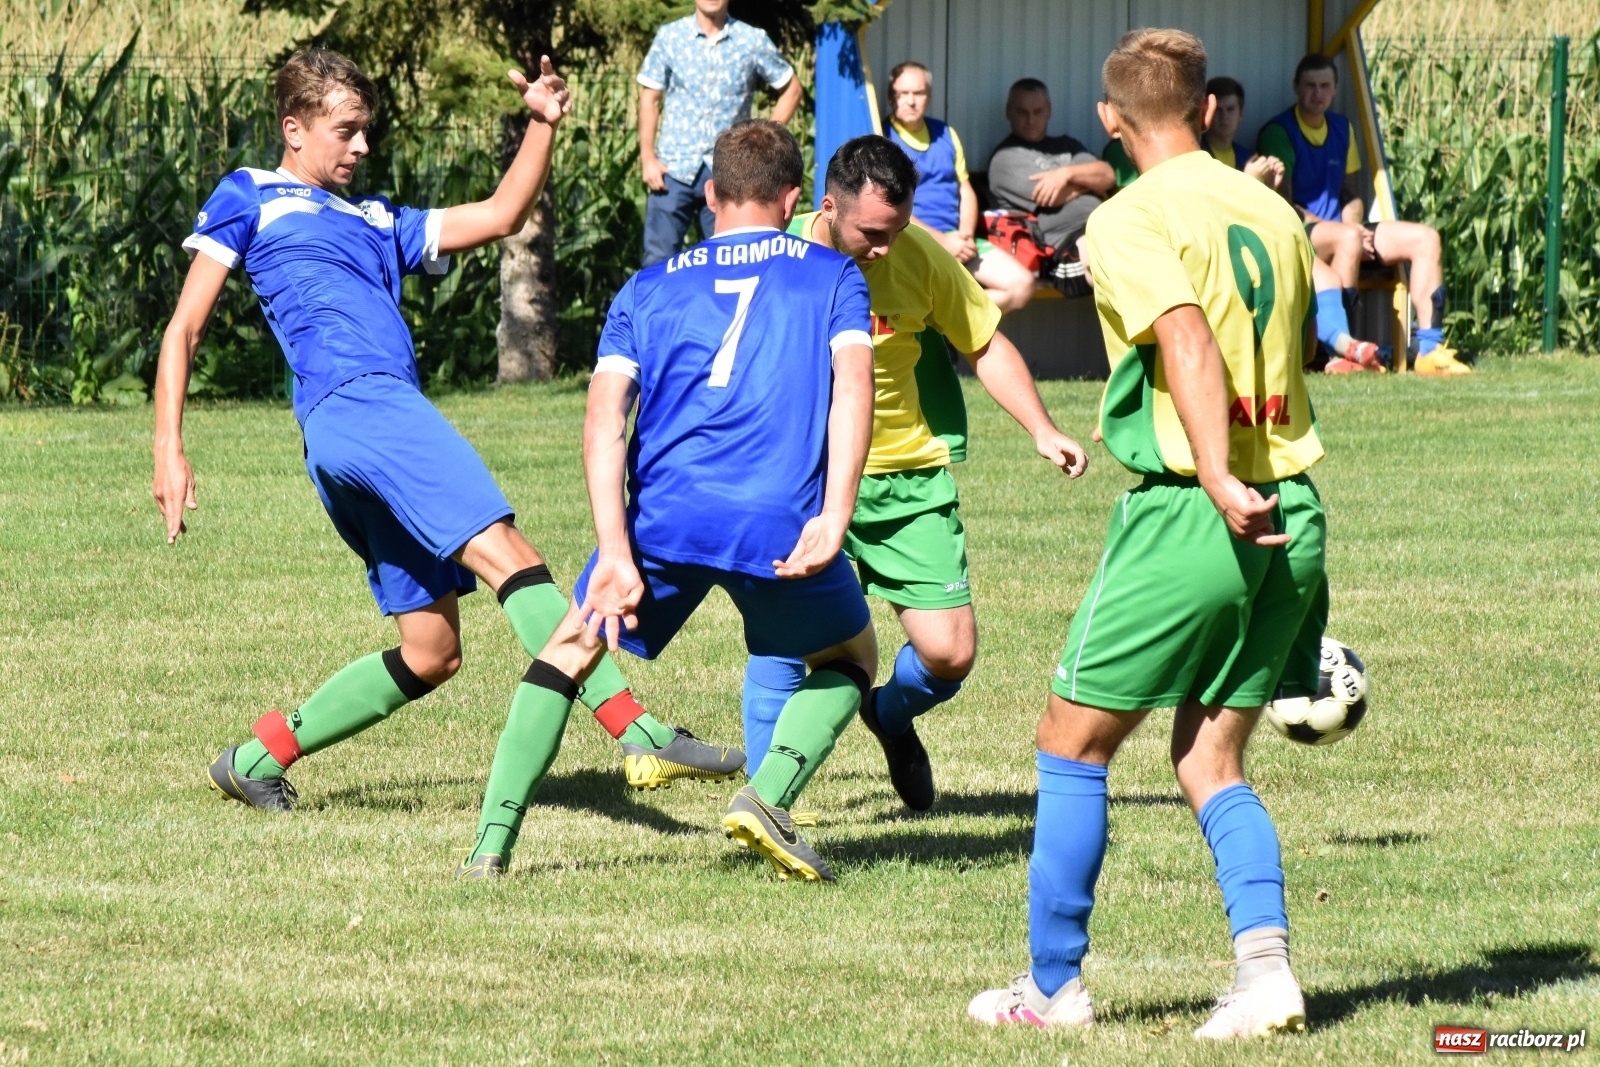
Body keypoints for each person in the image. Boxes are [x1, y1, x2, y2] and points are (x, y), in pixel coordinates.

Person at [157, 49, 741, 816]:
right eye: (346, 130)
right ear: (294, 130)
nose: (362, 146)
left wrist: (541, 124)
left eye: (367, 130)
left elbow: (500, 214)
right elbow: (185, 328)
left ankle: (255, 757)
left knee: (432, 652)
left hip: (350, 431)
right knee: (512, 556)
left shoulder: (377, 219)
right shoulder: (250, 195)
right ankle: (640, 732)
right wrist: (169, 444)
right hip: (362, 406)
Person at [968, 29, 1323, 1038]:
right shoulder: (1270, 207)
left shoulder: (1127, 218)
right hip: (1290, 508)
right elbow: (1281, 346)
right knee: (1210, 760)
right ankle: (1265, 978)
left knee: (1069, 742)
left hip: (1195, 507)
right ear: (1210, 111)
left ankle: (1050, 990)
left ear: (1115, 123)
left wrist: (1208, 469)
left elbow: (1185, 338)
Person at [459, 120, 877, 883]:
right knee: (851, 658)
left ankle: (491, 845)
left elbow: (603, 419)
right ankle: (769, 795)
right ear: (791, 200)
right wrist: (834, 515)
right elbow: (854, 388)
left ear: (711, 195)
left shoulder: (647, 286)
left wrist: (615, 550)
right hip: (775, 516)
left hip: (663, 518)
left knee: (569, 651)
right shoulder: (833, 276)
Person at [741, 135, 1089, 813]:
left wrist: (1043, 429)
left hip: (905, 477)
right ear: (828, 206)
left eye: (898, 230)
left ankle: (889, 715)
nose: (886, 248)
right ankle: (768, 802)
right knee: (783, 642)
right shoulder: (775, 254)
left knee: (950, 653)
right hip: (802, 481)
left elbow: (983, 342)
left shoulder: (919, 253)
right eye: (873, 232)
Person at [1258, 53, 1470, 375]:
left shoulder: (1343, 128)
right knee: (1348, 238)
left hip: (1344, 230)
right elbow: (1283, 202)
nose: (1317, 93)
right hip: (1301, 229)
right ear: (1296, 88)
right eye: (1310, 86)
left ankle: (1429, 351)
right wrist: (1348, 232)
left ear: (1335, 89)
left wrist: (1357, 227)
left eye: (1325, 86)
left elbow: (1351, 192)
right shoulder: (1279, 131)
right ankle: (1342, 354)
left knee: (1426, 238)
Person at [1208, 75, 1381, 373]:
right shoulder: (1200, 156)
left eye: (1231, 110)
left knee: (1326, 279)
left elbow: (1265, 211)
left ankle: (1341, 352)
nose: (1224, 118)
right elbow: (1212, 214)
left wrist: (1272, 186)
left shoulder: (1248, 156)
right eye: (1219, 110)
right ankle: (1344, 349)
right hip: (1225, 249)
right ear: (1205, 114)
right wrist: (1248, 182)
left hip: (1262, 242)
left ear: (1241, 113)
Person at [637, 0, 801, 268]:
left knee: (732, 260)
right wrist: (647, 158)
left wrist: (762, 140)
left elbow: (791, 89)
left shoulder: (752, 40)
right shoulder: (670, 37)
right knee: (657, 261)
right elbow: (650, 99)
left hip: (729, 172)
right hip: (673, 169)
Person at [885, 62, 1036, 312]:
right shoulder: (883, 137)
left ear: (929, 97)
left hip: (959, 241)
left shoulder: (945, 133)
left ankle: (946, 319)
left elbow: (965, 189)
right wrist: (942, 241)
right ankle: (947, 321)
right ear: (892, 97)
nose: (911, 101)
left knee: (1022, 284)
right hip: (911, 242)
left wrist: (964, 237)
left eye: (919, 93)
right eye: (904, 93)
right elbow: (890, 207)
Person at [987, 78, 1116, 275]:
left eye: (1037, 111)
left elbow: (1107, 176)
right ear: (1009, 112)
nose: (1030, 120)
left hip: (1102, 229)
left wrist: (1066, 173)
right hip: (1060, 247)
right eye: (1022, 112)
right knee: (1106, 264)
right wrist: (1089, 184)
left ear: (1049, 110)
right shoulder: (1005, 158)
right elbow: (1053, 197)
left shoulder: (1067, 145)